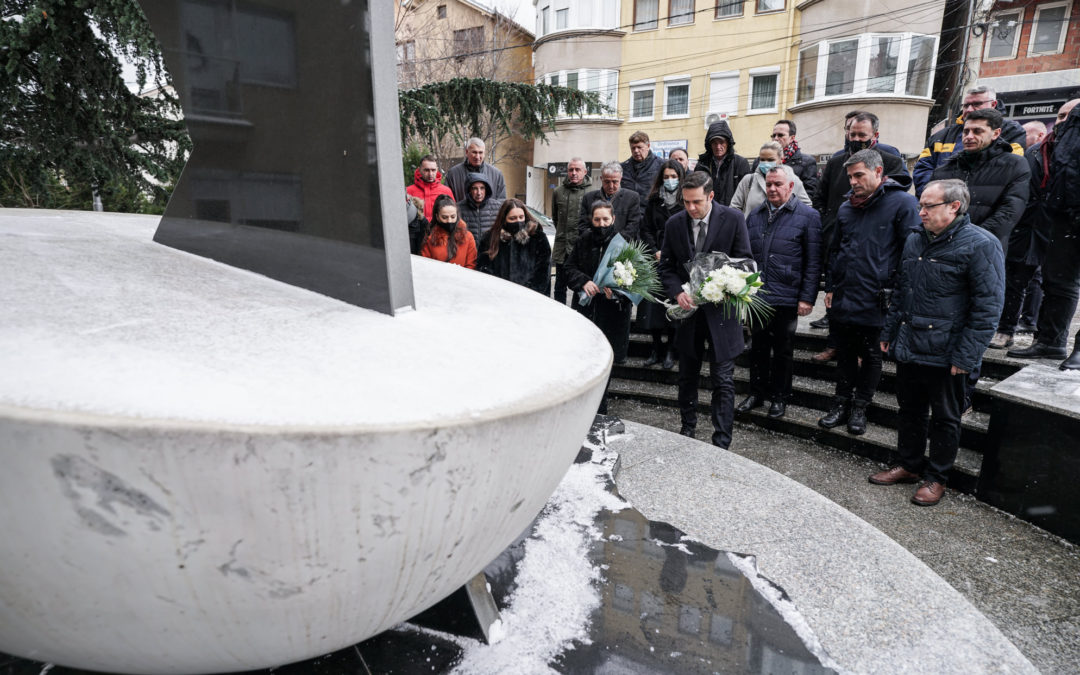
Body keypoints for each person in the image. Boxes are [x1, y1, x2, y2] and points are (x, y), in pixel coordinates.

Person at [874, 179, 1004, 506]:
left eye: (928, 207)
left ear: (954, 207)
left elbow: (988, 307)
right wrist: (889, 332)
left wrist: (968, 355)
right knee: (910, 410)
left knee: (945, 418)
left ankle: (936, 477)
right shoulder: (916, 239)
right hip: (911, 343)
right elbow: (903, 291)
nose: (921, 213)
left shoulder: (981, 244)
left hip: (948, 352)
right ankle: (909, 464)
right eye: (920, 206)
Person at [818, 150, 921, 435]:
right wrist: (831, 287)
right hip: (846, 294)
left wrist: (898, 296)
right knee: (846, 353)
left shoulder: (902, 203)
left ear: (878, 172)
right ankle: (841, 403)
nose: (853, 181)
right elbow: (836, 250)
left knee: (872, 356)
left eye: (859, 175)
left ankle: (861, 406)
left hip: (878, 297)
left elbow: (910, 255)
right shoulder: (847, 207)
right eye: (850, 176)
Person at [659, 171, 753, 449]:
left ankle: (721, 440)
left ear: (711, 196)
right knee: (687, 374)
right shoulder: (675, 224)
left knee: (722, 379)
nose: (690, 208)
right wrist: (678, 291)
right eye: (685, 202)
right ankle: (687, 428)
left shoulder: (733, 219)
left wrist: (724, 286)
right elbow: (666, 267)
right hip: (689, 315)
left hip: (722, 314)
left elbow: (746, 262)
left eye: (696, 202)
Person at [810, 112, 910, 350]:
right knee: (835, 290)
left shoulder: (890, 160)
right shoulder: (836, 161)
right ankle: (833, 343)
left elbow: (898, 191)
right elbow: (819, 197)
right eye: (852, 133)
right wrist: (827, 221)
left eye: (861, 134)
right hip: (838, 232)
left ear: (875, 135)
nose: (855, 138)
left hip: (874, 238)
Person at [994, 100, 1080, 351]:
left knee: (1057, 284)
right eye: (1061, 115)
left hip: (1064, 226)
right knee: (1017, 280)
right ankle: (1012, 331)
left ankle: (1050, 340)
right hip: (1030, 225)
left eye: (1070, 116)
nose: (1064, 120)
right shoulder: (1037, 151)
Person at [737, 166, 822, 419]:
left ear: (790, 187)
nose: (772, 189)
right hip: (759, 297)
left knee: (783, 350)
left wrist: (807, 298)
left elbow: (814, 262)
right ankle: (757, 392)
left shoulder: (808, 216)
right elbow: (746, 256)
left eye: (778, 184)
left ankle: (780, 397)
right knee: (757, 348)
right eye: (769, 184)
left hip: (787, 296)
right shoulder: (755, 215)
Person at [565, 201, 633, 410]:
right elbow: (569, 268)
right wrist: (583, 281)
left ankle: (600, 408)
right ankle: (587, 407)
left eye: (605, 219)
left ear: (613, 219)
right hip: (587, 311)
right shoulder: (583, 240)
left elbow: (635, 279)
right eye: (597, 219)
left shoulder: (624, 243)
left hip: (613, 314)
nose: (601, 223)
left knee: (606, 363)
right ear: (591, 220)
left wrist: (619, 291)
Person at [930, 108, 1030, 250]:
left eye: (977, 131)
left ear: (996, 133)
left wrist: (968, 240)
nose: (969, 136)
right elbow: (931, 208)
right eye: (966, 131)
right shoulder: (945, 169)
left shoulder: (1014, 165)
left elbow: (1009, 213)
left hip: (985, 249)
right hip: (943, 248)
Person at [913, 86, 1026, 196]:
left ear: (993, 104)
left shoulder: (1012, 131)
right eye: (966, 105)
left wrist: (973, 196)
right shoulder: (941, 136)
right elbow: (922, 169)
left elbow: (1010, 170)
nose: (969, 109)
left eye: (977, 104)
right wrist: (936, 196)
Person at [639, 159, 685, 369]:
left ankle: (671, 350)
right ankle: (656, 348)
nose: (670, 181)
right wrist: (654, 249)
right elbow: (645, 228)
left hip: (676, 262)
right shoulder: (654, 201)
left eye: (674, 177)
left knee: (673, 310)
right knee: (653, 308)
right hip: (655, 259)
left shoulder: (685, 201)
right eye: (666, 177)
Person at [477, 198, 551, 296]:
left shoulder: (537, 237)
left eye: (521, 217)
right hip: (498, 297)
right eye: (513, 218)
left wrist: (530, 293)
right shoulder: (490, 238)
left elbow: (543, 271)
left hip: (531, 297)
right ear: (504, 219)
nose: (518, 221)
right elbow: (483, 269)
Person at [731, 141, 811, 217]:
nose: (765, 163)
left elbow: (807, 207)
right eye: (762, 159)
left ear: (781, 159)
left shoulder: (792, 180)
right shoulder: (748, 180)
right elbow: (734, 208)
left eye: (770, 160)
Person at [551, 158, 592, 306]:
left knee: (579, 284)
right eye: (571, 170)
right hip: (562, 247)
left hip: (581, 247)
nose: (574, 173)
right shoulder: (558, 192)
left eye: (577, 170)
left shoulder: (592, 192)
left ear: (585, 172)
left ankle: (578, 313)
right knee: (559, 286)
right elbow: (555, 218)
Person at [577, 162, 642, 241]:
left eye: (615, 182)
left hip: (622, 246)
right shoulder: (588, 198)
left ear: (620, 179)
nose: (611, 186)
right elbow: (582, 225)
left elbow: (633, 225)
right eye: (607, 182)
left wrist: (615, 241)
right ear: (601, 179)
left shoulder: (632, 197)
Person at [694, 119, 750, 206]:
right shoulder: (702, 165)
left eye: (721, 142)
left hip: (732, 214)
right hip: (707, 214)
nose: (718, 146)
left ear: (728, 143)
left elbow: (746, 195)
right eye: (714, 143)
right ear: (709, 145)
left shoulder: (740, 163)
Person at [420, 194, 477, 269]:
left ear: (457, 215)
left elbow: (471, 264)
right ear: (437, 217)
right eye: (444, 217)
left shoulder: (468, 237)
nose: (449, 221)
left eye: (453, 217)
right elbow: (426, 266)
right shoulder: (430, 239)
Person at [443, 137, 507, 202]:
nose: (477, 157)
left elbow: (501, 202)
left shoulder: (496, 174)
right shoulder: (453, 174)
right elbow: (447, 201)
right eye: (474, 152)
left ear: (484, 153)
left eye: (480, 152)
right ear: (467, 152)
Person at [769, 119, 820, 197]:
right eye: (773, 135)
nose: (775, 138)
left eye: (780, 135)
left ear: (792, 138)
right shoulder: (761, 161)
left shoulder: (807, 162)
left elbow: (809, 194)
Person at [456, 173, 504, 248]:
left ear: (486, 189)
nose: (479, 193)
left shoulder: (497, 207)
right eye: (474, 188)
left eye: (482, 188)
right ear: (469, 190)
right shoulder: (458, 208)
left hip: (490, 253)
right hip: (468, 253)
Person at [620, 131, 664, 210]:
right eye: (633, 148)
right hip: (629, 213)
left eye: (639, 147)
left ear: (648, 146)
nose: (636, 151)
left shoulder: (661, 165)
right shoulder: (622, 168)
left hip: (651, 213)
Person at [406, 154, 454, 221]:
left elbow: (453, 215)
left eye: (433, 170)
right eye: (426, 170)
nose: (430, 174)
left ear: (437, 170)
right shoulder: (409, 191)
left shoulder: (446, 191)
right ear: (419, 170)